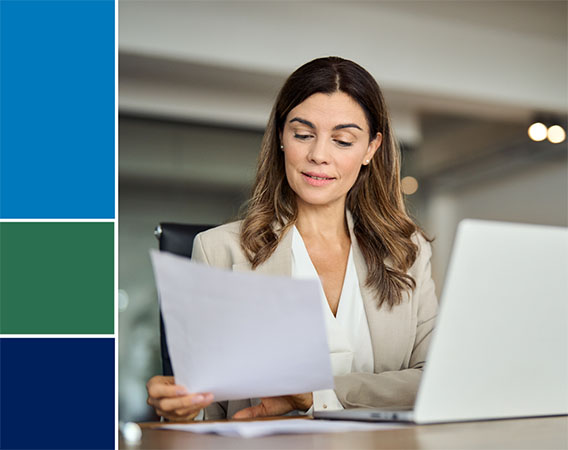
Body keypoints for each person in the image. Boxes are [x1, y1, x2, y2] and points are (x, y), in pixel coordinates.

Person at [146, 56, 437, 421]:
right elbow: (208, 413)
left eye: (343, 140)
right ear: (282, 137)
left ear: (371, 149)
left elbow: (432, 382)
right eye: (303, 135)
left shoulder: (408, 252)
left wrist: (316, 394)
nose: (318, 155)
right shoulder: (219, 249)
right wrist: (179, 412)